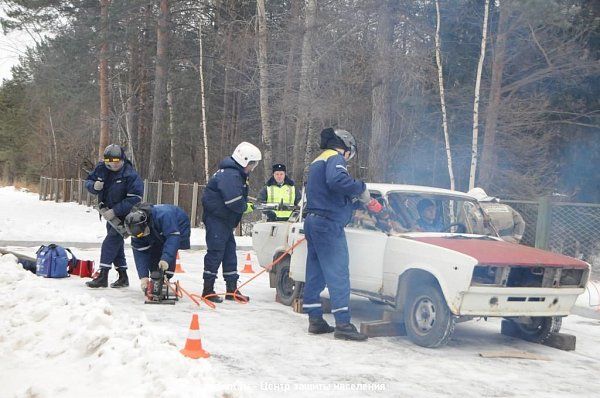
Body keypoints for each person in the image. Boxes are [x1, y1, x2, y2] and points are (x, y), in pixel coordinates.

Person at [303, 127, 382, 342]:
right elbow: (337, 181)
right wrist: (360, 189)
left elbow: (329, 192)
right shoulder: (335, 158)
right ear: (346, 147)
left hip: (313, 220)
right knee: (338, 273)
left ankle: (315, 319)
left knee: (316, 272)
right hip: (328, 224)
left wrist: (351, 203)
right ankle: (343, 324)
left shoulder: (318, 160)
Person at [201, 142, 262, 303]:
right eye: (252, 164)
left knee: (229, 253)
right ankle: (207, 289)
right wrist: (246, 207)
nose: (252, 168)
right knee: (215, 253)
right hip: (217, 220)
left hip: (224, 221)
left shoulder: (234, 174)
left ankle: (231, 289)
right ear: (244, 160)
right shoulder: (230, 175)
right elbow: (234, 201)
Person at [85, 144, 144, 288]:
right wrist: (94, 186)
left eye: (117, 161)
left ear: (122, 159)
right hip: (108, 213)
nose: (113, 164)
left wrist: (116, 211)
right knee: (116, 245)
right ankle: (123, 276)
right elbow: (89, 180)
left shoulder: (130, 175)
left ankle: (103, 274)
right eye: (110, 161)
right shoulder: (101, 168)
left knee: (110, 242)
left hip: (125, 215)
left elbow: (135, 198)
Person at [124, 203, 191, 293]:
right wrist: (143, 277)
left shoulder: (164, 216)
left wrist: (165, 259)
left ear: (145, 224)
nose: (140, 236)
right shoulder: (137, 230)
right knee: (154, 253)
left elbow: (172, 239)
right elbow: (140, 253)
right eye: (138, 235)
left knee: (166, 249)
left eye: (141, 234)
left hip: (177, 224)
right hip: (157, 229)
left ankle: (166, 277)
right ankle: (157, 278)